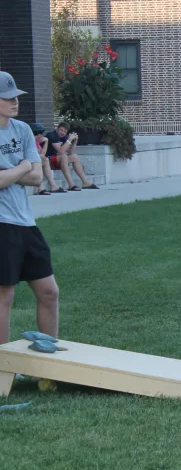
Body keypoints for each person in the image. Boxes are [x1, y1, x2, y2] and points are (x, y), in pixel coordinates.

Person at [0, 71, 60, 348]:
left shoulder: (22, 129)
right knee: (4, 296)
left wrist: (16, 170)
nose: (15, 102)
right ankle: (2, 365)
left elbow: (37, 177)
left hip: (25, 222)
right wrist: (24, 165)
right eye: (8, 97)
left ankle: (48, 362)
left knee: (49, 292)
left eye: (16, 97)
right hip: (2, 225)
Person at [44, 122, 99, 191]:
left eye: (65, 131)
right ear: (57, 128)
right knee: (63, 156)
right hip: (46, 161)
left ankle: (85, 182)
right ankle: (71, 184)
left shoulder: (64, 138)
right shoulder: (51, 135)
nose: (62, 133)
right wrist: (69, 139)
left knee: (74, 157)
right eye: (61, 130)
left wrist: (75, 141)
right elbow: (61, 151)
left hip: (57, 160)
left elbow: (71, 152)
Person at [31, 123, 65, 195]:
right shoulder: (28, 141)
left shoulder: (36, 141)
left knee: (45, 159)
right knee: (39, 160)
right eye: (36, 133)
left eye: (41, 133)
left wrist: (46, 141)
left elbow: (42, 153)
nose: (39, 135)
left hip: (34, 161)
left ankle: (53, 185)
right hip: (26, 163)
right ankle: (40, 188)